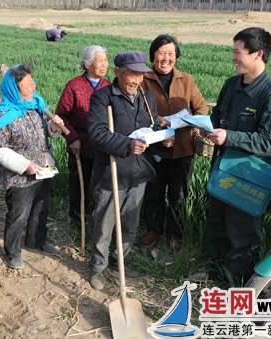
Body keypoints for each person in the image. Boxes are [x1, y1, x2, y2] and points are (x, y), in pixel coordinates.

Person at [205, 27, 271, 284]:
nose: (234, 58)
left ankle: (238, 285)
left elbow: (268, 143)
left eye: (238, 52)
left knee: (243, 234)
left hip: (249, 177)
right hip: (223, 169)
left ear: (258, 54)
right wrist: (204, 125)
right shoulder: (231, 84)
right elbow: (218, 116)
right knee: (216, 223)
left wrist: (229, 137)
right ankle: (211, 274)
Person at [87, 51, 160, 291]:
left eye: (140, 74)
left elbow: (152, 125)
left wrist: (162, 133)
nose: (137, 80)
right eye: (132, 73)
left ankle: (121, 260)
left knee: (130, 222)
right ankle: (98, 266)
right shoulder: (102, 98)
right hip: (112, 172)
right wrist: (126, 145)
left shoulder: (146, 98)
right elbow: (97, 133)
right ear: (117, 72)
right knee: (104, 223)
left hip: (138, 173)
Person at [0, 64, 65, 270]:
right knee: (18, 215)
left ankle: (36, 241)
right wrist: (25, 165)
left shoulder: (36, 106)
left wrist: (54, 127)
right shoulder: (3, 114)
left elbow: (44, 134)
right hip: (20, 176)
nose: (32, 86)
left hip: (44, 169)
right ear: (14, 88)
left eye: (32, 82)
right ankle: (12, 251)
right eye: (27, 84)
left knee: (41, 208)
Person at [139, 34, 209, 251]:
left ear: (176, 56)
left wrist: (194, 124)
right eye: (161, 53)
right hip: (153, 148)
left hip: (182, 149)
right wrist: (157, 125)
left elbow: (202, 108)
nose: (165, 58)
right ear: (153, 56)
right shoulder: (143, 80)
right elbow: (137, 111)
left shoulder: (186, 80)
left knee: (178, 195)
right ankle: (154, 230)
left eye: (170, 54)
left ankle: (175, 234)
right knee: (154, 192)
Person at [55, 45, 110, 227]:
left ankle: (97, 221)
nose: (104, 65)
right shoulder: (74, 86)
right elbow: (61, 116)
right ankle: (77, 221)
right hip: (81, 146)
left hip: (103, 147)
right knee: (79, 185)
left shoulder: (108, 86)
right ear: (87, 65)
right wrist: (72, 138)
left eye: (105, 61)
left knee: (101, 186)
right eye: (99, 61)